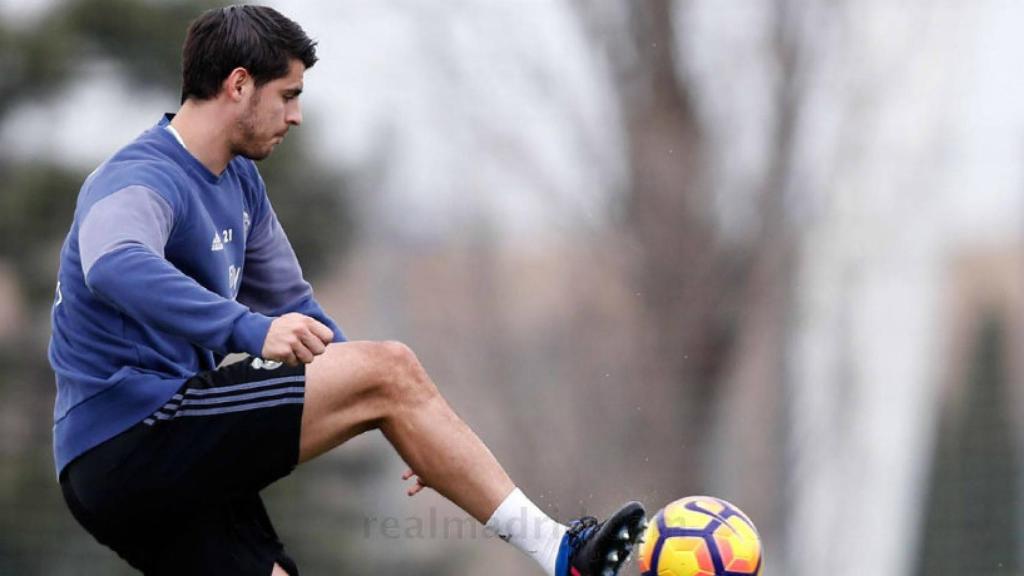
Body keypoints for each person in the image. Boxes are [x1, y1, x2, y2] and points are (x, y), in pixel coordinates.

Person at [49, 5, 646, 575]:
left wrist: (399, 417)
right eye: (288, 95)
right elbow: (115, 265)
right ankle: (563, 554)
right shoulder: (142, 175)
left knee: (378, 390)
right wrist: (261, 334)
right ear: (237, 85)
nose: (295, 115)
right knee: (390, 368)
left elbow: (295, 307)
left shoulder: (240, 184)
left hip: (146, 464)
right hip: (129, 435)